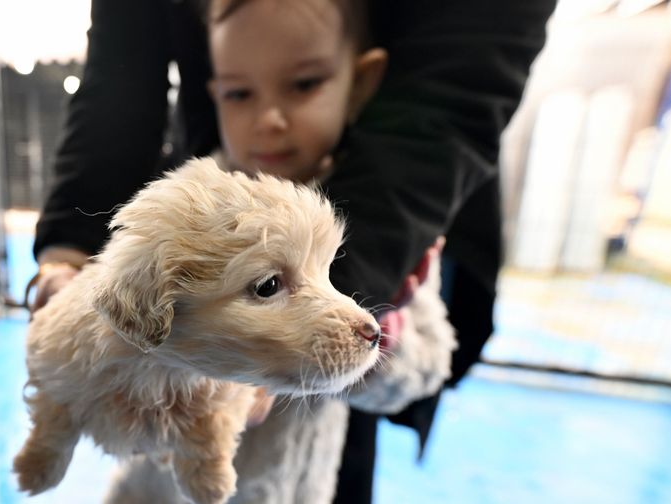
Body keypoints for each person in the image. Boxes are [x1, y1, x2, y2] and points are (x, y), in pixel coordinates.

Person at [30, 0, 556, 502]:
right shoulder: (184, 219)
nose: (270, 118)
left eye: (304, 84)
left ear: (361, 83)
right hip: (158, 490)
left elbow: (424, 367)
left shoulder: (391, 238)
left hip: (301, 487)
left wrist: (374, 345)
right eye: (240, 93)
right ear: (212, 93)